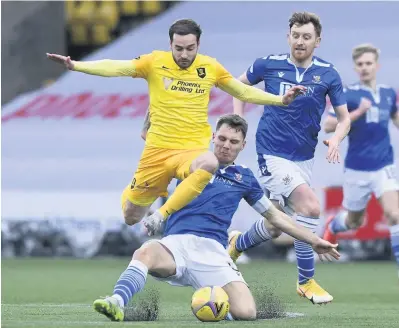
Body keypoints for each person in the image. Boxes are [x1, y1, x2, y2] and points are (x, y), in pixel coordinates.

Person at [47, 19, 305, 235]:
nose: (184, 55)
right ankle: (138, 194)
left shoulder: (210, 67)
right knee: (131, 216)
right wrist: (76, 66)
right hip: (157, 151)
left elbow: (242, 91)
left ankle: (163, 214)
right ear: (170, 44)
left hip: (191, 150)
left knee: (209, 163)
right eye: (178, 48)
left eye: (189, 48)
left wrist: (279, 100)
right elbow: (117, 67)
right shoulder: (154, 62)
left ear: (198, 45)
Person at [92, 114, 340, 322]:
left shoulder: (244, 178)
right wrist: (153, 116)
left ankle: (216, 298)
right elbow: (154, 142)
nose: (225, 145)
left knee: (246, 312)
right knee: (144, 253)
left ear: (242, 146)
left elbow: (275, 217)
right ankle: (117, 301)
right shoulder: (190, 160)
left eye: (233, 141)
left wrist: (312, 240)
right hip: (176, 244)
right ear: (213, 137)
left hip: (213, 253)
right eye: (221, 138)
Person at [231, 12, 351, 304]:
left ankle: (236, 244)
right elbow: (237, 86)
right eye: (295, 36)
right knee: (310, 207)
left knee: (275, 225)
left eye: (306, 37)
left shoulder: (328, 73)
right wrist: (237, 119)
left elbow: (344, 119)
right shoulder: (269, 64)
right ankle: (306, 281)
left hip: (304, 159)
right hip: (271, 152)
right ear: (288, 37)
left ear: (317, 41)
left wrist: (336, 138)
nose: (300, 41)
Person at [322, 44, 399, 275]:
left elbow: (395, 118)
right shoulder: (349, 94)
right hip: (357, 169)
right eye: (361, 64)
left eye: (369, 63)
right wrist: (357, 113)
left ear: (377, 65)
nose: (365, 67)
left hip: (384, 165)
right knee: (355, 221)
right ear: (356, 67)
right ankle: (333, 225)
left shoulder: (388, 93)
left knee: (394, 214)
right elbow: (327, 126)